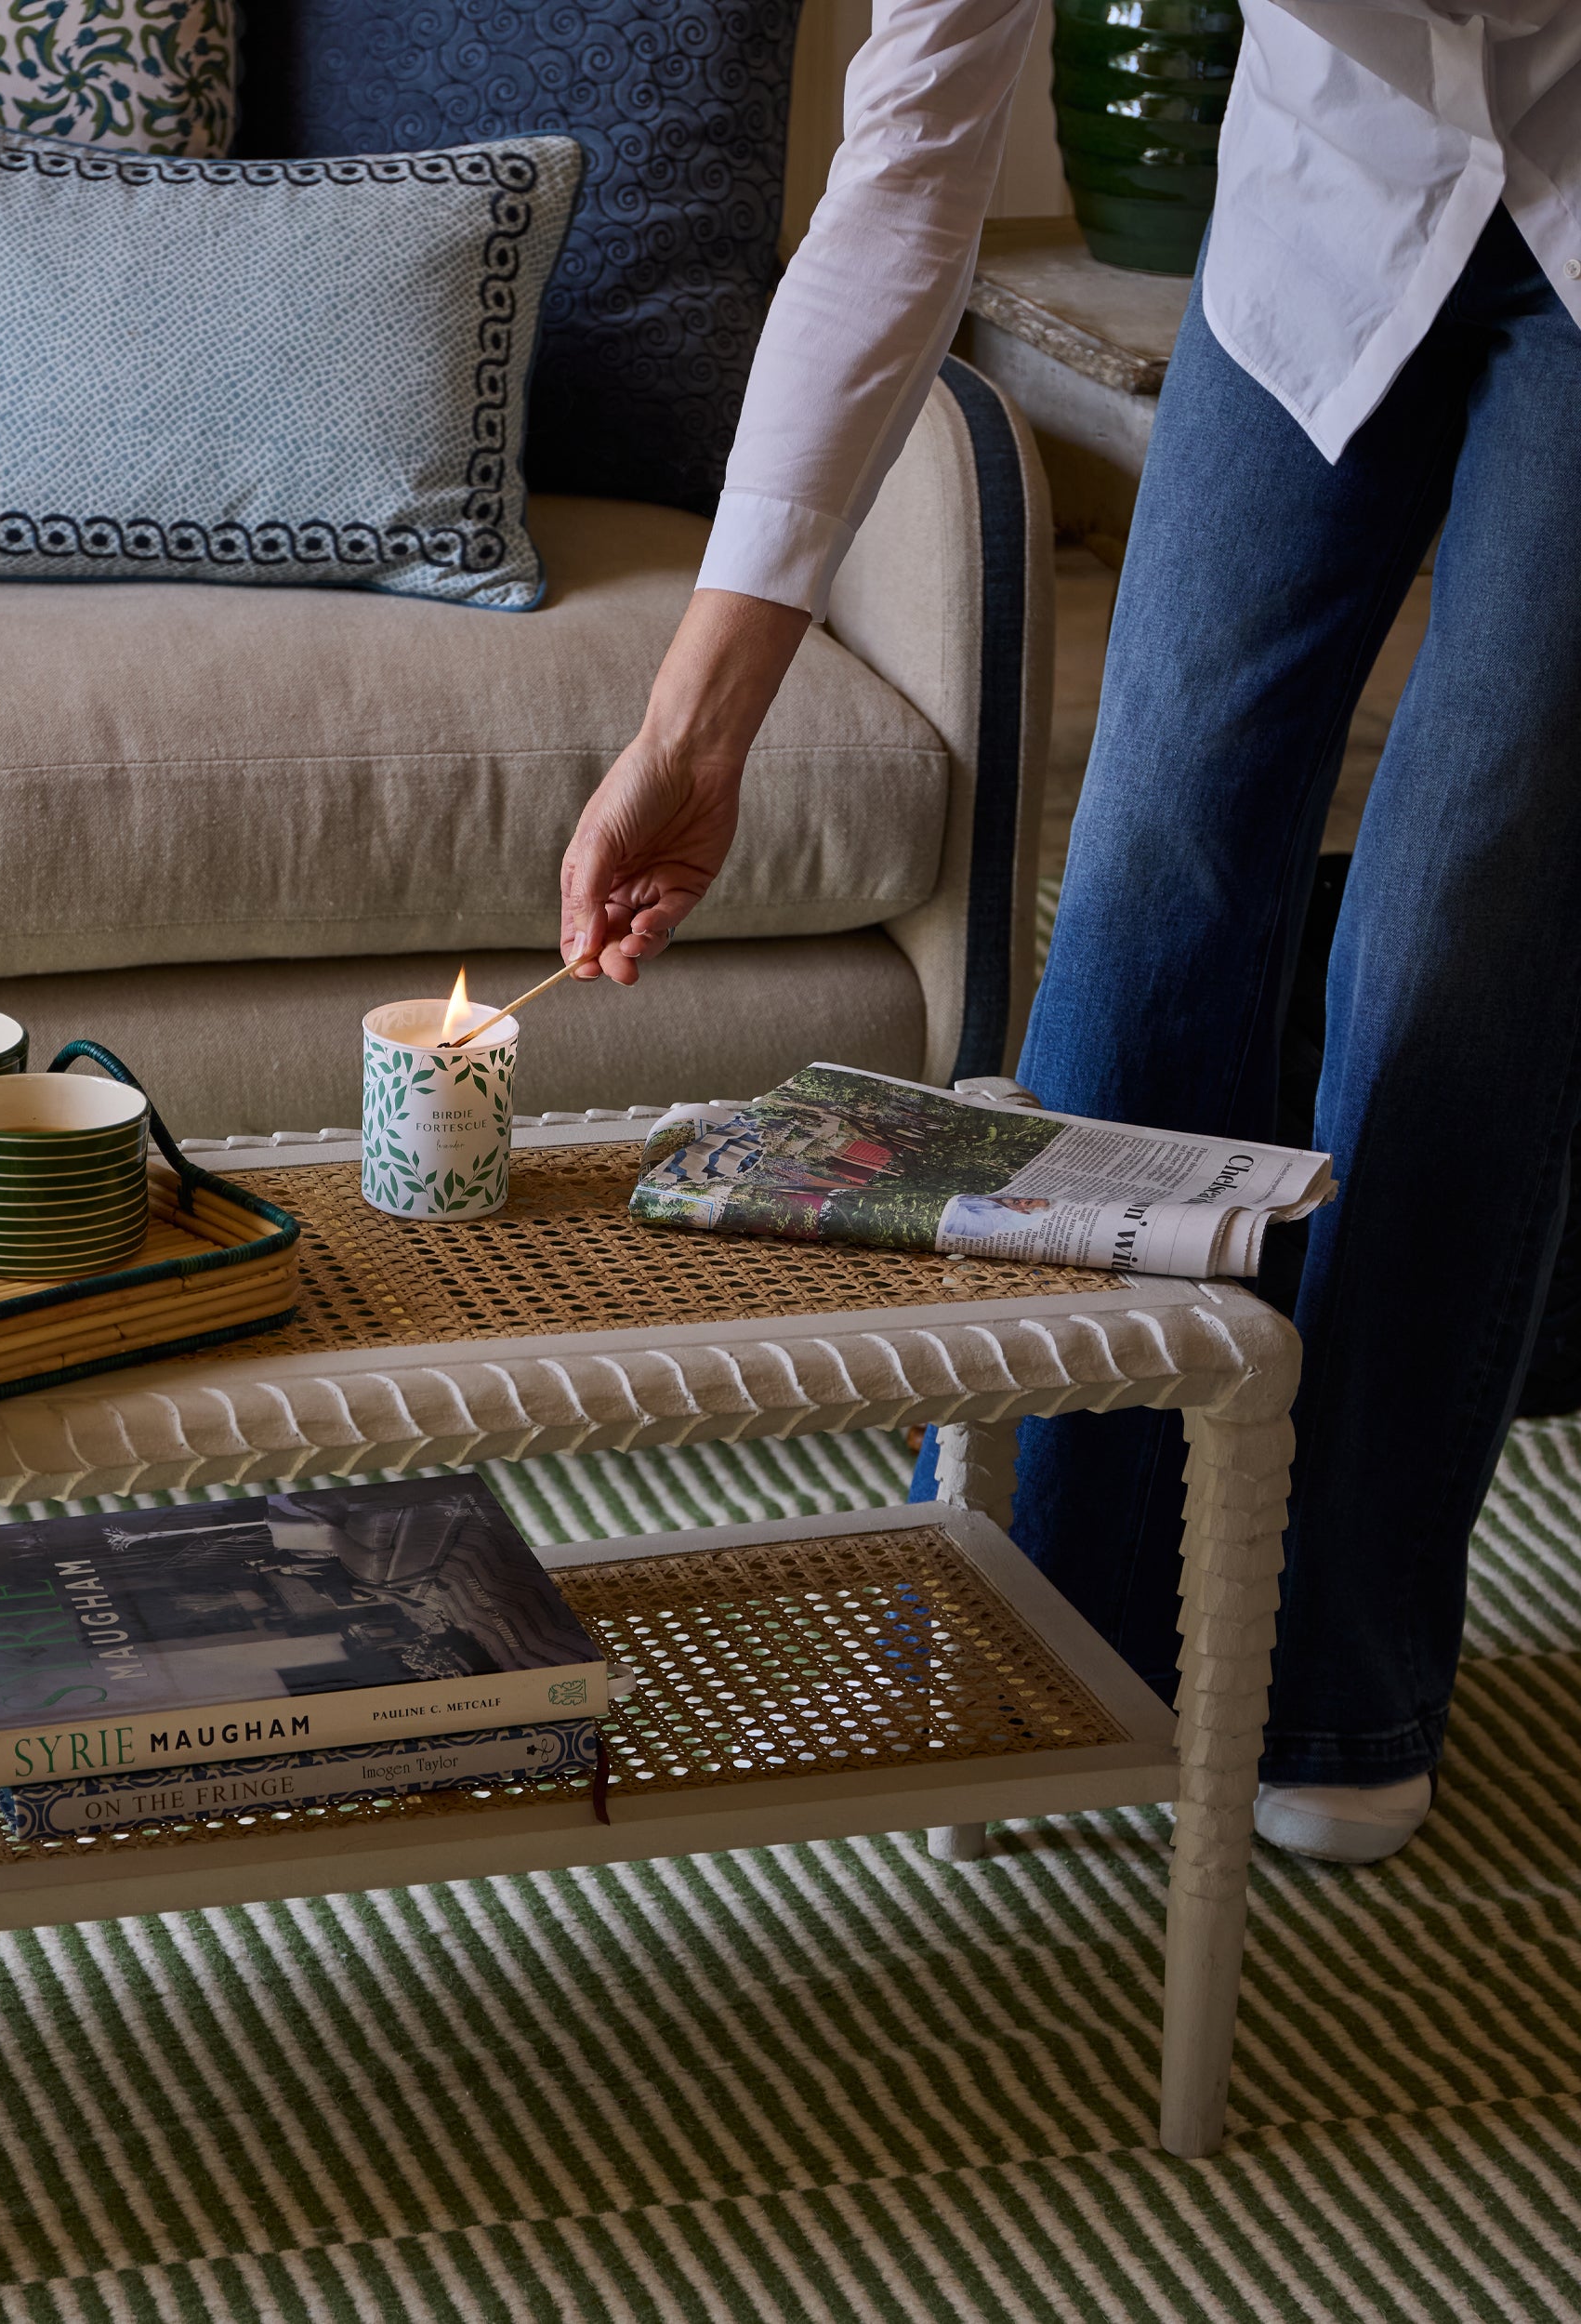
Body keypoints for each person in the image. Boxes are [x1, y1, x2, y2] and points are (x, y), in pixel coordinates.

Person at [558, 0, 1581, 1863]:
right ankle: (1046, 1617)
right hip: (1331, 197)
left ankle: (1339, 1679)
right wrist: (685, 732)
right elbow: (896, 192)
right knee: (1142, 889)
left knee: (1457, 943)